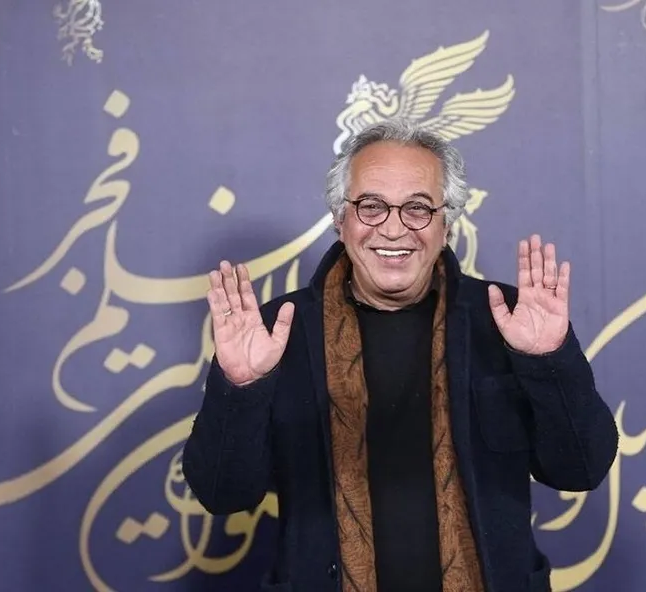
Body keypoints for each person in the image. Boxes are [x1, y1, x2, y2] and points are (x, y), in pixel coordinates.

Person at [180, 119, 619, 592]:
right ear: (340, 220)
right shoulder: (277, 331)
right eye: (371, 207)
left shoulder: (508, 320)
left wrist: (547, 362)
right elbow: (223, 494)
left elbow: (581, 469)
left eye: (417, 208)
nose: (393, 229)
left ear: (446, 224)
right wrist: (242, 388)